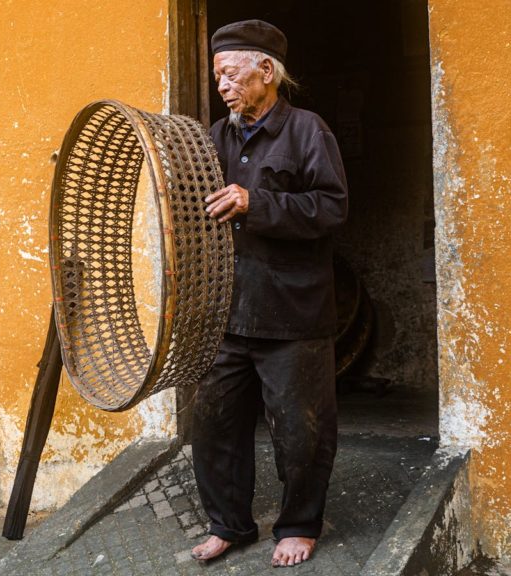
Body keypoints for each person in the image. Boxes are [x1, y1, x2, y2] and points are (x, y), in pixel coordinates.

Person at [189, 19, 348, 568]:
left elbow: (331, 208)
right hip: (226, 310)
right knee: (212, 424)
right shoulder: (215, 136)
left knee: (300, 431)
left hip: (292, 312)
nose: (223, 86)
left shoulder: (308, 131)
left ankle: (299, 524)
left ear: (266, 70)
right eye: (217, 76)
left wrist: (259, 204)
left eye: (231, 74)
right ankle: (229, 523)